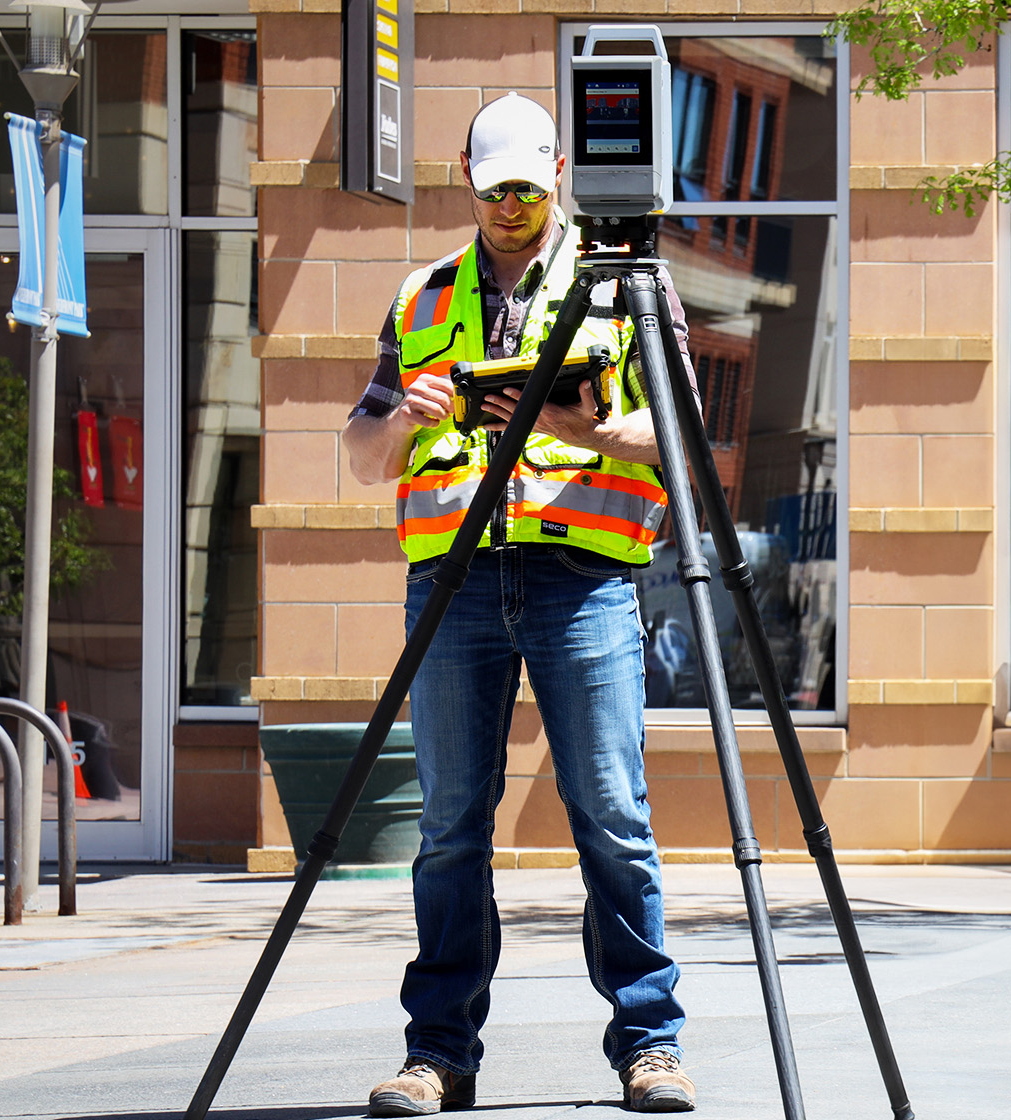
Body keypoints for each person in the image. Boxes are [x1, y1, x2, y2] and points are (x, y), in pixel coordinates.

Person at [339, 92, 696, 1117]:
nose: (509, 206)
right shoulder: (422, 298)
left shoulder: (623, 287)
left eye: (527, 191)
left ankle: (649, 1045)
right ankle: (437, 1054)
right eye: (494, 189)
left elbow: (682, 439)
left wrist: (575, 428)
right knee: (449, 827)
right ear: (465, 174)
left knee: (611, 818)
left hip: (580, 580)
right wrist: (405, 418)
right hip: (450, 583)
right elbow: (357, 459)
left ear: (557, 175)